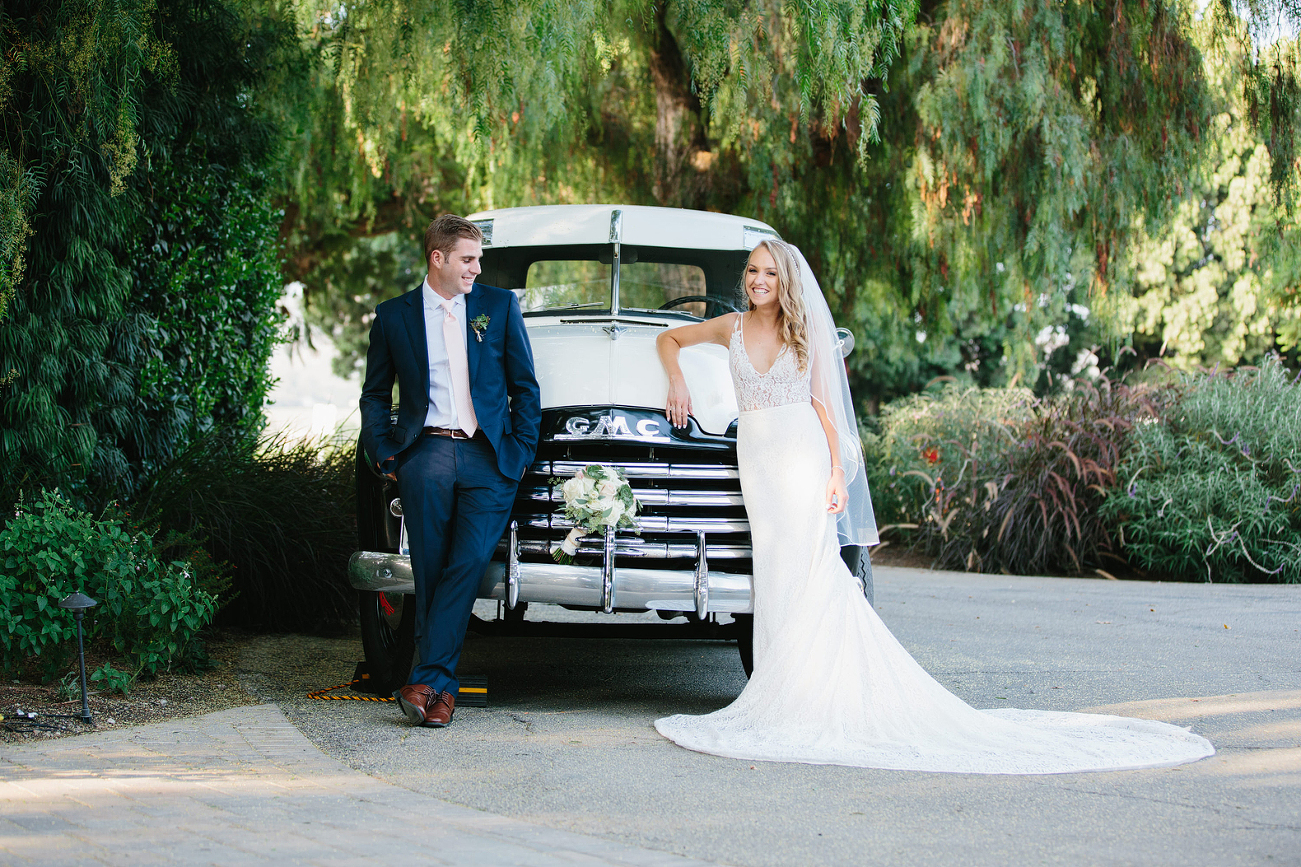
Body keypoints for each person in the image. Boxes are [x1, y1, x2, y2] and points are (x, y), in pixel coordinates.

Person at [651, 238, 1214, 773]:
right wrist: (677, 384)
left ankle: (802, 696)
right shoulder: (732, 326)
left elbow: (827, 410)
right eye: (752, 270)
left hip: (801, 459)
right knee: (774, 573)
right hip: (759, 466)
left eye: (770, 272)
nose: (758, 280)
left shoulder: (804, 334)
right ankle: (781, 687)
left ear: (788, 280)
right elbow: (667, 340)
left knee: (809, 573)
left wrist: (836, 474)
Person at [359, 214, 541, 728]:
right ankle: (438, 691)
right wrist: (385, 453)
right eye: (468, 259)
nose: (477, 269)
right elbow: (375, 395)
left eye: (478, 259)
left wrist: (521, 451)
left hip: (490, 457)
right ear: (437, 258)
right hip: (426, 454)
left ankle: (428, 681)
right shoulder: (394, 316)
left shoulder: (498, 307)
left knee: (467, 565)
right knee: (432, 570)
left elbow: (526, 387)